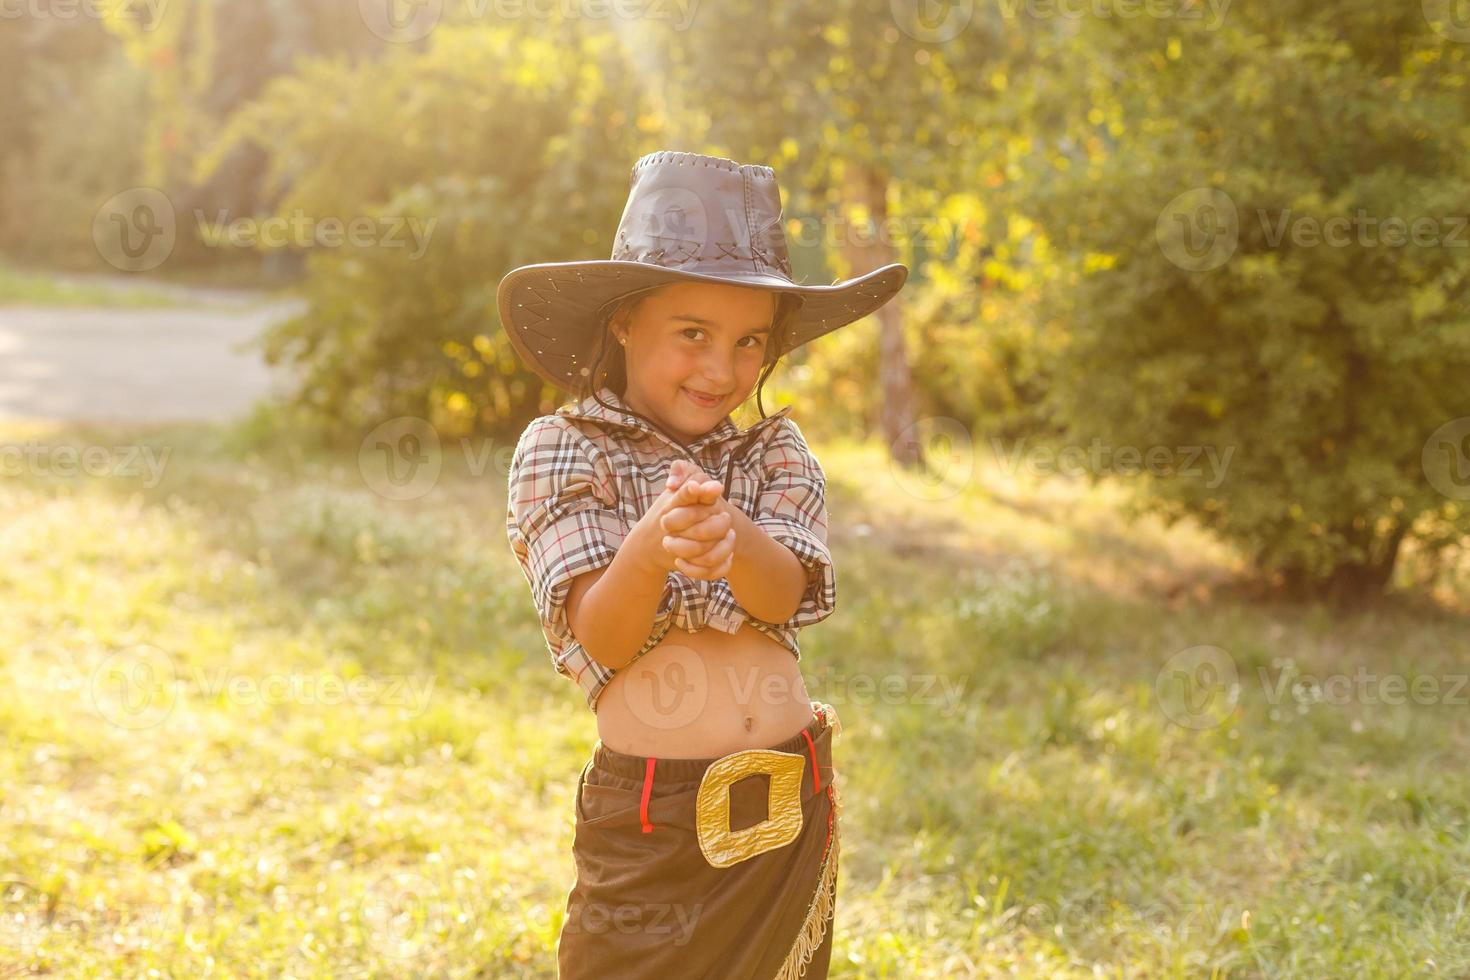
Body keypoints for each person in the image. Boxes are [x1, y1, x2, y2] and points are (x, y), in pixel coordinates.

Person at [498, 149, 907, 978]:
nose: (722, 370)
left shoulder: (772, 448)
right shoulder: (563, 449)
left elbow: (786, 592)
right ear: (623, 320)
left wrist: (734, 541)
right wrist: (647, 552)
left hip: (789, 795)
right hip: (653, 816)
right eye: (693, 334)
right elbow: (604, 642)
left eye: (749, 341)